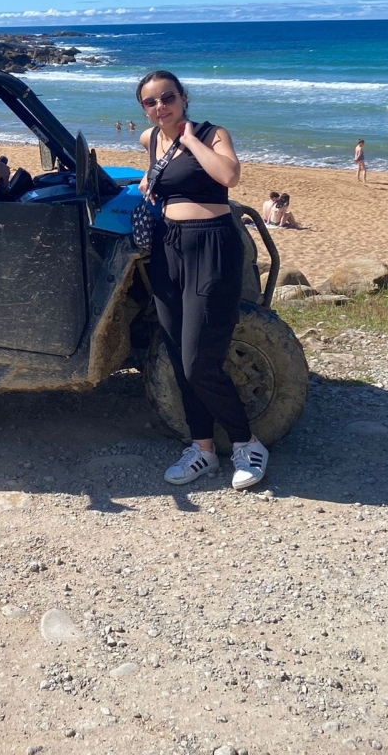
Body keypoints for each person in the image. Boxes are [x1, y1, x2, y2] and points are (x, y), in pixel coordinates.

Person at [136, 69, 268, 491]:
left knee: (198, 360)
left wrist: (189, 139)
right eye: (150, 102)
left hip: (211, 246)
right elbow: (160, 178)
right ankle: (203, 449)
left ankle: (248, 443)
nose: (160, 107)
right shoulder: (150, 140)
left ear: (183, 97)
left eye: (167, 97)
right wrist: (148, 177)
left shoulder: (212, 134)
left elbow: (229, 177)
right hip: (168, 247)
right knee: (178, 355)